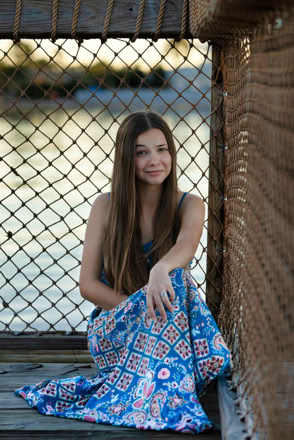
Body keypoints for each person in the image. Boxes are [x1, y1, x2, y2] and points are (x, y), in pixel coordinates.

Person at [15, 111, 230, 434]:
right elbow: (88, 285)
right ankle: (164, 403)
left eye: (161, 149)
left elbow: (186, 245)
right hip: (116, 330)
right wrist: (141, 312)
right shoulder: (105, 206)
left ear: (171, 152)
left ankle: (161, 397)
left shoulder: (190, 204)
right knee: (171, 291)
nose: (154, 160)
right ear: (126, 158)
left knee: (175, 280)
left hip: (168, 326)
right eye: (141, 152)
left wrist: (160, 269)